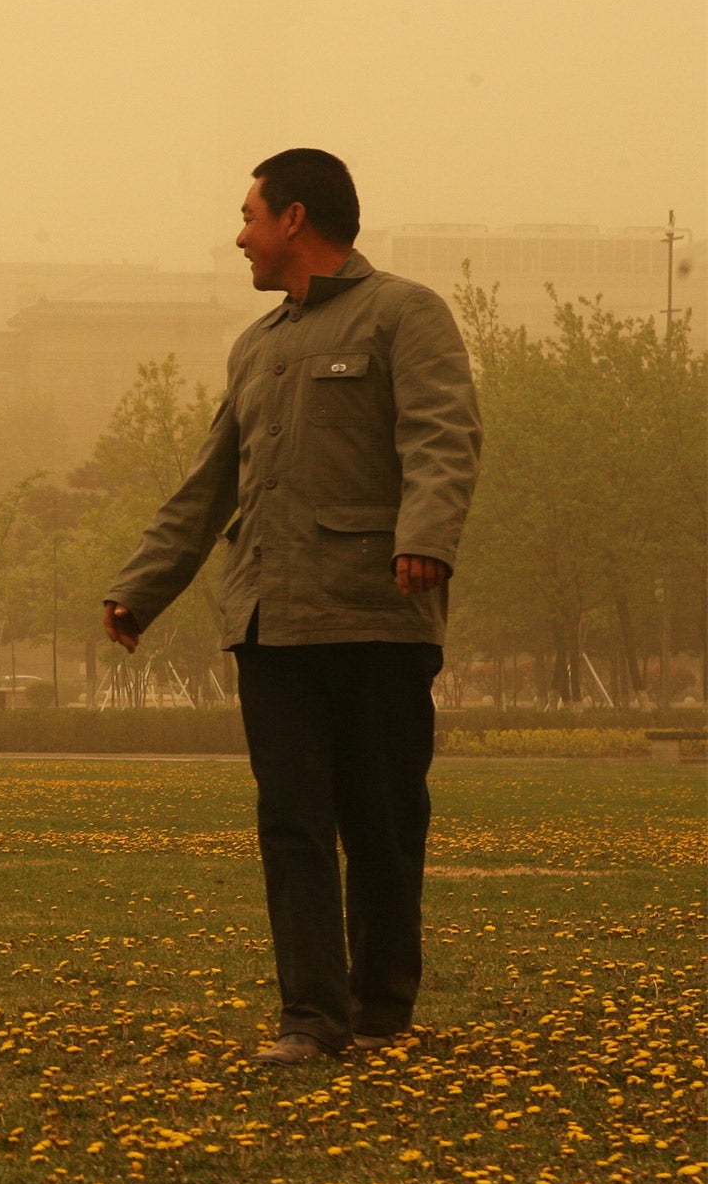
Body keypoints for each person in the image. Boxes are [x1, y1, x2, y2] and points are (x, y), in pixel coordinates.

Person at [101, 149, 481, 1066]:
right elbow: (207, 485)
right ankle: (313, 1018)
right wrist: (141, 586)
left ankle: (381, 1002)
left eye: (249, 216)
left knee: (383, 822)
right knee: (293, 823)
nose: (239, 236)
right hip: (270, 623)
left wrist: (424, 533)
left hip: (378, 614)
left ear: (295, 219)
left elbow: (443, 431)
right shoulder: (257, 346)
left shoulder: (405, 313)